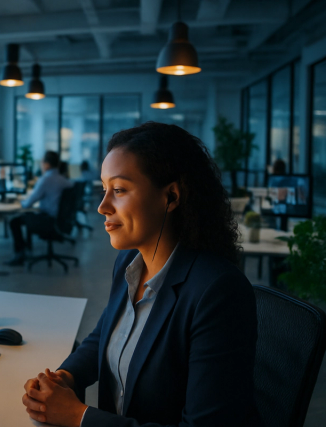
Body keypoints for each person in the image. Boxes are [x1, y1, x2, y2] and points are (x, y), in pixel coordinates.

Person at [21, 122, 261, 427]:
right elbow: (105, 334)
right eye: (105, 189)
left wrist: (77, 416)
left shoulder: (219, 292)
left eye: (119, 190)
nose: (102, 206)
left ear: (171, 197)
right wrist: (65, 378)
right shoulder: (129, 262)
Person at [7, 151, 72, 265]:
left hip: (49, 221)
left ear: (46, 164)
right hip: (61, 221)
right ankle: (26, 248)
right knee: (28, 217)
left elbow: (28, 204)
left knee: (15, 221)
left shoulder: (45, 179)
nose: (41, 165)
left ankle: (20, 254)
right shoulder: (63, 180)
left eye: (42, 162)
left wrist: (17, 202)